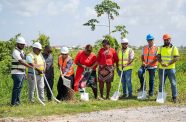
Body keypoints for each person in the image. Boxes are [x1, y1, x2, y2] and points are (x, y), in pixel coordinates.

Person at [157, 34, 179, 103]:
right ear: (163, 40)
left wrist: (168, 64)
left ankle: (174, 97)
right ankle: (161, 97)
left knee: (173, 83)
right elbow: (158, 57)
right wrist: (161, 62)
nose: (166, 41)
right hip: (161, 68)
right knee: (161, 83)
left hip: (171, 69)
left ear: (170, 39)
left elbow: (176, 58)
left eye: (167, 39)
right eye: (165, 40)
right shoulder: (160, 48)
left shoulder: (174, 48)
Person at [11, 36, 33, 106]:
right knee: (16, 88)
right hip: (16, 72)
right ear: (17, 44)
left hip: (21, 72)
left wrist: (24, 73)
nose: (23, 45)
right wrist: (30, 67)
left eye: (23, 44)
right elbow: (21, 62)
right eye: (21, 44)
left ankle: (17, 102)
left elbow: (24, 61)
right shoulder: (15, 52)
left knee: (19, 88)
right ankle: (13, 103)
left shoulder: (22, 52)